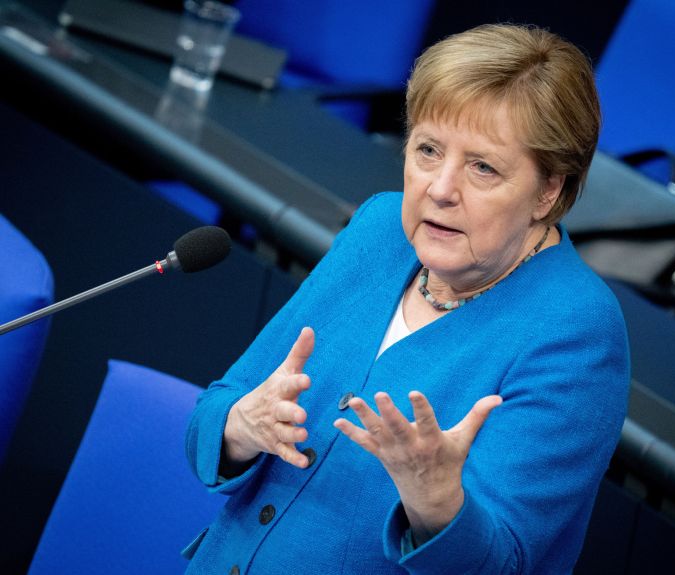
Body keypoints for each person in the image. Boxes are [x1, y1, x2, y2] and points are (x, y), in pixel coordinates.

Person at [183, 23, 630, 575]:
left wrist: (436, 503)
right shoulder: (378, 231)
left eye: (483, 167)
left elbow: (504, 565)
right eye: (428, 150)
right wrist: (241, 426)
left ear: (548, 190)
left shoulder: (576, 333)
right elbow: (215, 412)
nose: (440, 188)